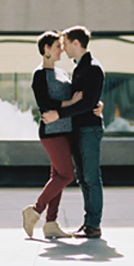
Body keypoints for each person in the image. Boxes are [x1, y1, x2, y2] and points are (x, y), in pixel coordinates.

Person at [42, 25, 105, 239]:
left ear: (76, 43)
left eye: (66, 44)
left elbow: (87, 102)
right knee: (83, 178)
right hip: (77, 130)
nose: (64, 48)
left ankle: (93, 224)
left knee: (91, 177)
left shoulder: (93, 68)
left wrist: (59, 115)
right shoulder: (79, 68)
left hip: (89, 130)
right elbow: (86, 100)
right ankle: (89, 223)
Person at [22, 31, 80, 239]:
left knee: (57, 177)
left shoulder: (63, 73)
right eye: (57, 46)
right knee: (67, 175)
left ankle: (51, 224)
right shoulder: (39, 75)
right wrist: (71, 104)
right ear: (46, 49)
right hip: (51, 132)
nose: (61, 49)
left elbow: (74, 96)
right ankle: (35, 210)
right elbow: (45, 104)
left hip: (67, 131)